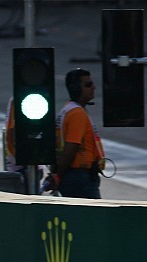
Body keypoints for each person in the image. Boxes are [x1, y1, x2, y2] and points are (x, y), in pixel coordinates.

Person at [52, 68, 106, 199]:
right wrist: (58, 176)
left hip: (74, 175)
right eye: (88, 85)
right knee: (93, 217)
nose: (94, 87)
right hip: (79, 177)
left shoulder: (66, 110)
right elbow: (70, 148)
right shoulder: (77, 114)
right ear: (76, 89)